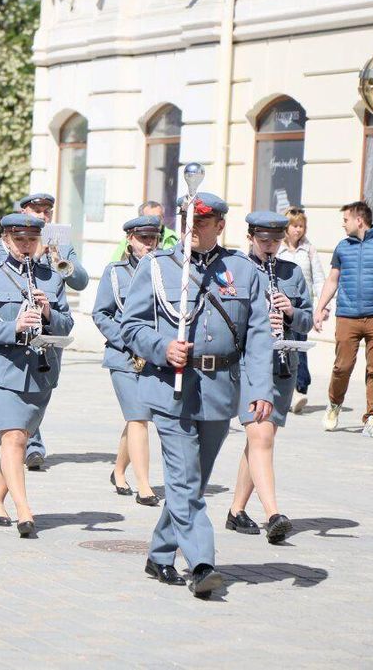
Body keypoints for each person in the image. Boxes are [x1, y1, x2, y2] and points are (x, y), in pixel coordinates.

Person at [122, 191, 274, 597]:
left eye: (202, 223)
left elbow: (258, 335)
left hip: (220, 390)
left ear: (219, 226)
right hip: (170, 389)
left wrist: (261, 388)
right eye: (187, 222)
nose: (193, 230)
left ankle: (159, 555)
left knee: (193, 481)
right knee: (186, 481)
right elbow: (130, 327)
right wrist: (161, 347)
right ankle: (203, 562)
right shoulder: (157, 267)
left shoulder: (242, 271)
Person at [0, 213, 74, 538]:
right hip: (1, 368)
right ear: (5, 240)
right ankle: (25, 511)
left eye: (31, 240)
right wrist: (13, 327)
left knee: (18, 441)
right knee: (13, 437)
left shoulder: (51, 277)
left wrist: (48, 313)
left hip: (40, 369)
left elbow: (67, 324)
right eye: (19, 240)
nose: (26, 246)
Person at [225, 212, 312, 544]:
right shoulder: (235, 270)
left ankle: (235, 511)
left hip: (282, 366)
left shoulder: (291, 272)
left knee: (257, 441)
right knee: (263, 439)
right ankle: (273, 514)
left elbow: (306, 320)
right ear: (251, 238)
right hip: (249, 364)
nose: (270, 247)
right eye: (264, 241)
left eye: (276, 241)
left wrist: (289, 312)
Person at [0, 192, 89, 469]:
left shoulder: (61, 242)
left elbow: (80, 281)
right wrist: (34, 252)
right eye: (37, 210)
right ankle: (32, 444)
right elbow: (5, 271)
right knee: (23, 382)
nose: (43, 215)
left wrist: (58, 259)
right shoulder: (11, 239)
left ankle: (28, 436)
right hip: (20, 321)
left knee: (42, 383)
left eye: (47, 211)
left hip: (51, 320)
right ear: (25, 211)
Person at [313, 201, 373, 438]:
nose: (343, 224)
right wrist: (320, 309)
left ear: (359, 220)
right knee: (342, 366)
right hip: (347, 316)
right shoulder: (342, 247)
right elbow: (333, 280)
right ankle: (334, 403)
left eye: (345, 219)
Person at [93, 215, 161, 506]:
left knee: (139, 416)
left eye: (153, 238)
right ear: (130, 240)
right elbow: (101, 314)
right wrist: (126, 340)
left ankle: (119, 470)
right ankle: (144, 485)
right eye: (142, 238)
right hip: (123, 357)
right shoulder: (114, 272)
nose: (148, 244)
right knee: (138, 417)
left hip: (153, 355)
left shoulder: (164, 271)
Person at [277, 208, 326, 413]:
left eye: (301, 226)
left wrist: (322, 308)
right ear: (286, 228)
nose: (299, 230)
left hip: (302, 308)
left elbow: (319, 278)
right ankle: (290, 393)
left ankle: (299, 389)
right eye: (295, 225)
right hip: (280, 307)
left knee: (299, 348)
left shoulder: (309, 249)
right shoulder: (278, 249)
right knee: (283, 348)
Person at [110, 200, 179, 261]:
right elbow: (115, 263)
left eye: (158, 218)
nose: (154, 221)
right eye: (144, 237)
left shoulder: (173, 238)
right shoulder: (131, 237)